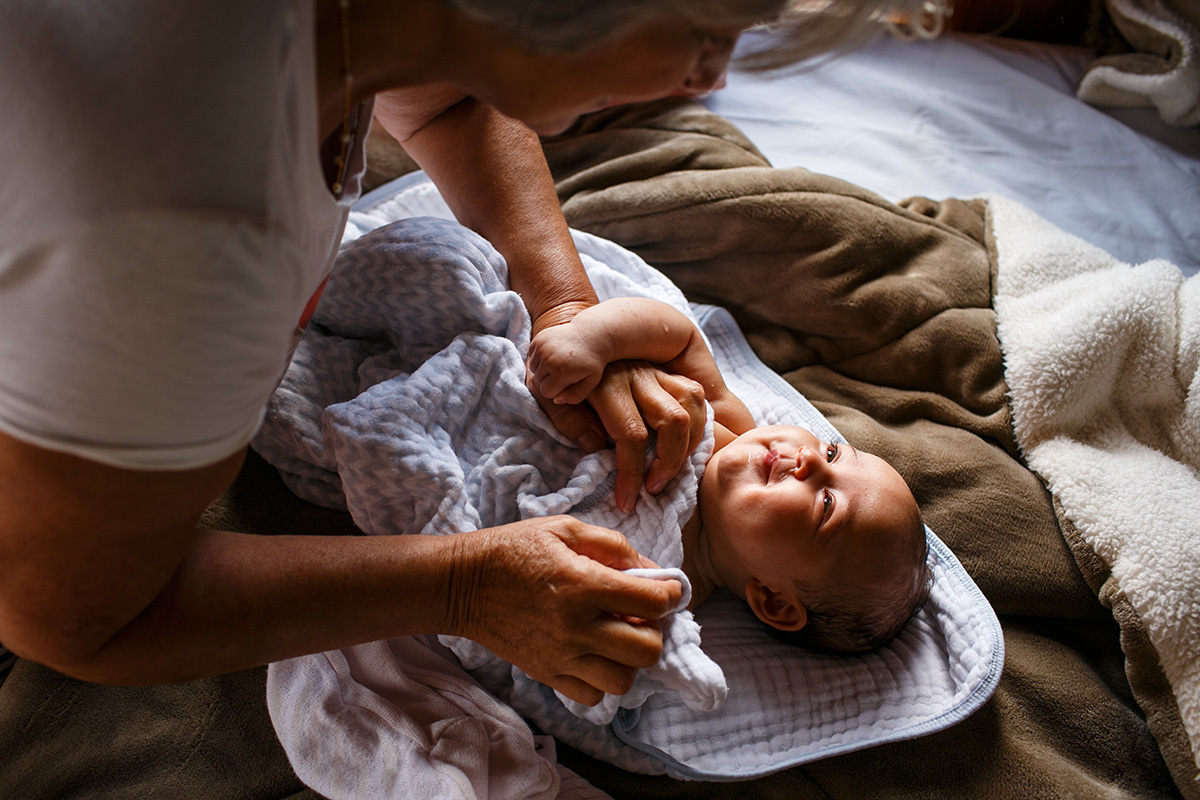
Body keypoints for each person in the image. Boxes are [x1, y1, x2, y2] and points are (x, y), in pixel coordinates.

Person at [0, 0, 933, 714]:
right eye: (705, 27)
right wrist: (461, 581)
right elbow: (72, 617)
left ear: (774, 602)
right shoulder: (175, 224)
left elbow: (445, 90)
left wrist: (567, 305)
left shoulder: (375, 27)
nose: (706, 81)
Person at [529, 297, 931, 652]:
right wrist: (594, 336)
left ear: (775, 602)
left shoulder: (660, 582)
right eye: (833, 452)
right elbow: (681, 339)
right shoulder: (727, 427)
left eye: (826, 504)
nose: (811, 459)